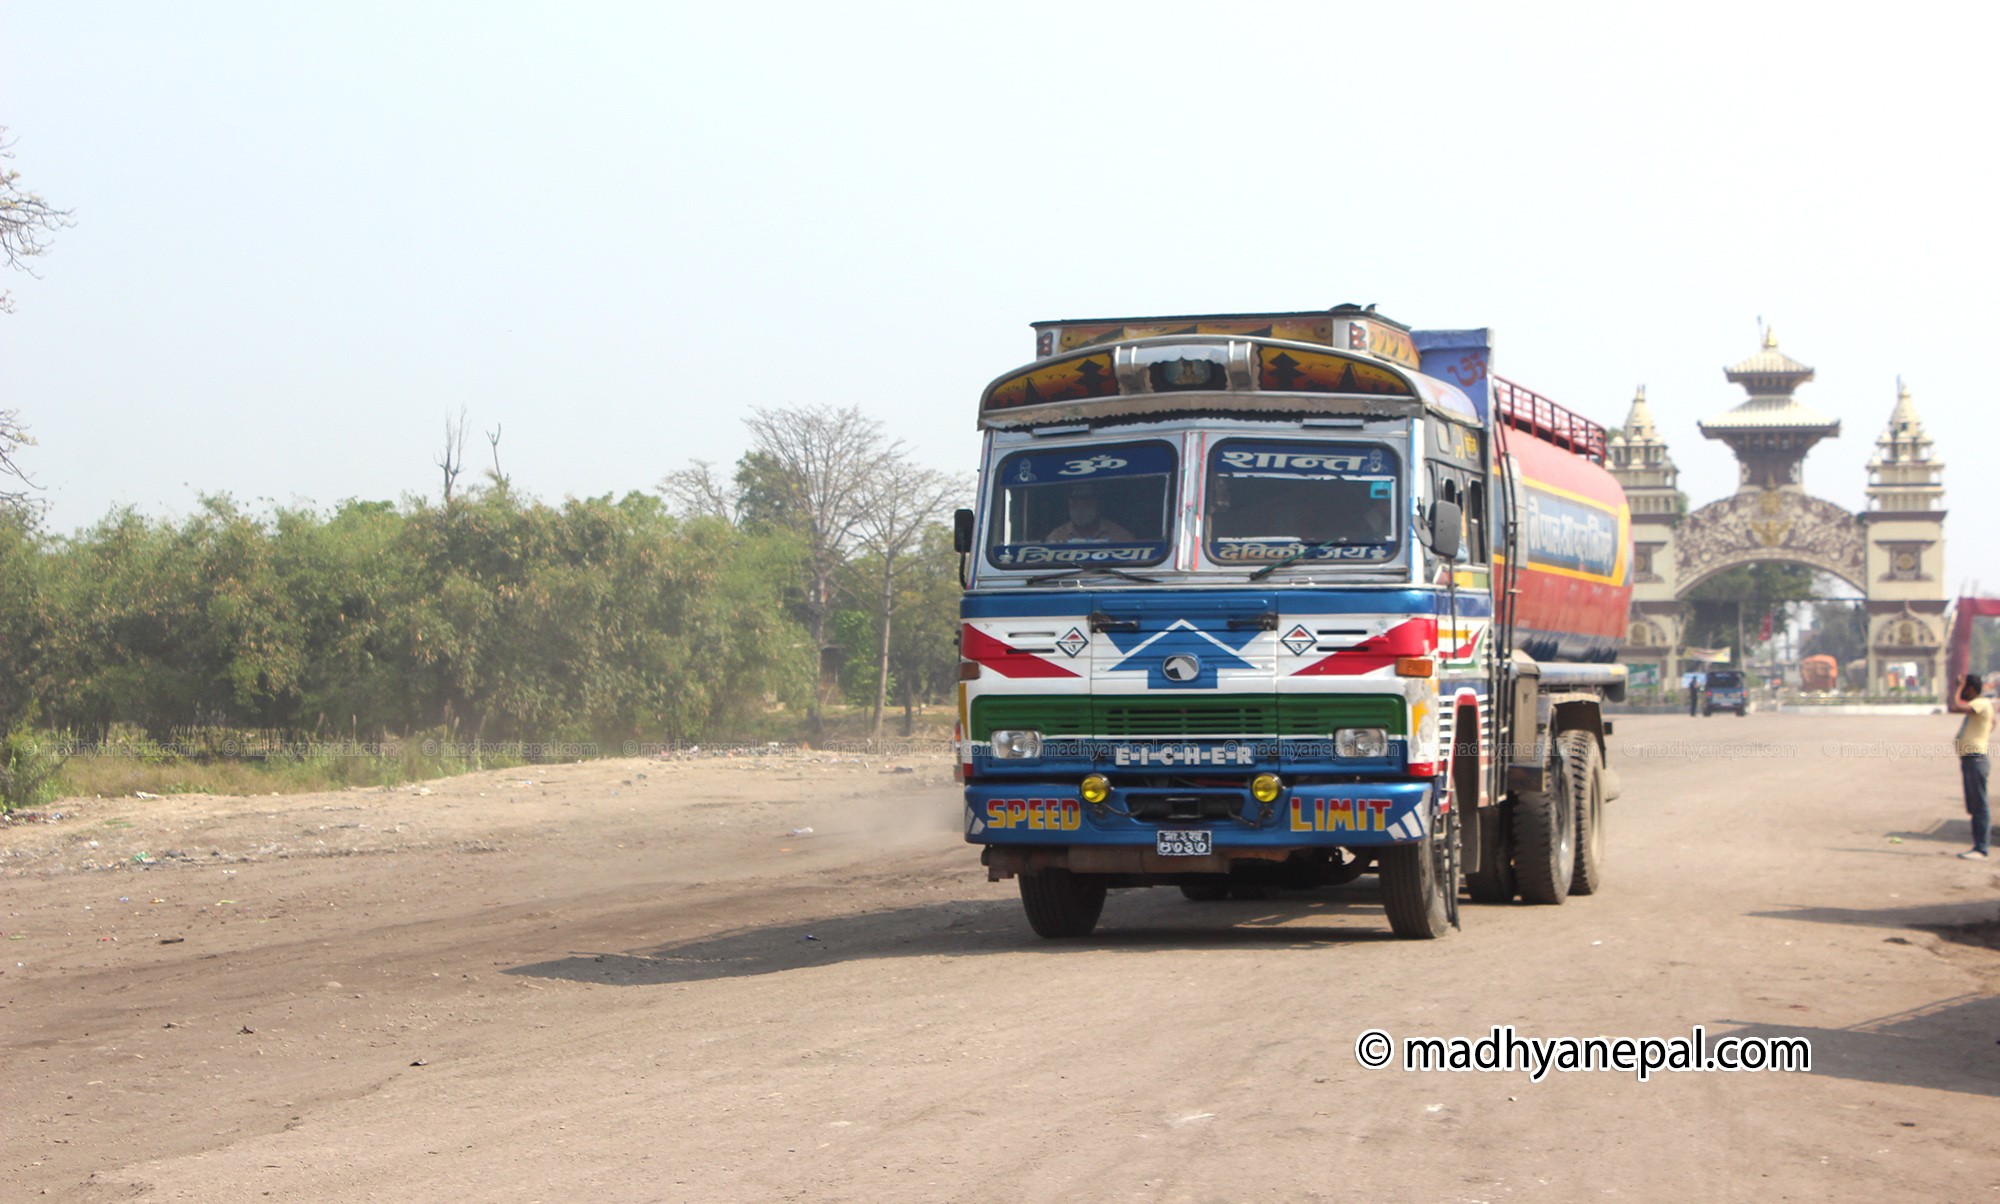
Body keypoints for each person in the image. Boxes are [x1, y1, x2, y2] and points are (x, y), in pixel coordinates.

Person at [1949, 673, 1993, 859]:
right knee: (1975, 805)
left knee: (1979, 805)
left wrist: (1957, 687)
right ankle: (1978, 846)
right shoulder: (1981, 706)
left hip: (1975, 759)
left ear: (1971, 689)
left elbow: (1954, 706)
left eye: (1965, 689)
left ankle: (1981, 849)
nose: (1963, 693)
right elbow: (1993, 723)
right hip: (1972, 758)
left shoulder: (1980, 703)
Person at [1046, 484, 1133, 543]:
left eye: (1086, 502)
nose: (1080, 507)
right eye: (1075, 503)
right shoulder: (1057, 537)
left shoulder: (1120, 535)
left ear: (1097, 505)